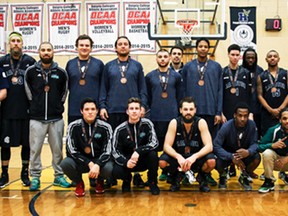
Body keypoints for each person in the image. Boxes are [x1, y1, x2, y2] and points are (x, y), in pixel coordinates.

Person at [99, 36, 148, 187]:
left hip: (133, 112)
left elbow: (142, 89)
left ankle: (137, 174)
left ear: (129, 47)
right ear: (115, 48)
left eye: (125, 44)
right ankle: (113, 175)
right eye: (120, 44)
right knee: (114, 143)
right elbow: (103, 88)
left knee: (135, 143)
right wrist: (102, 106)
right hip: (113, 110)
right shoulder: (108, 66)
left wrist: (143, 106)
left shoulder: (137, 66)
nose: (122, 46)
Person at [24, 41, 70, 191]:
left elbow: (64, 92)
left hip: (55, 118)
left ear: (53, 52)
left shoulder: (61, 73)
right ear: (39, 52)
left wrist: (57, 107)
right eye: (43, 50)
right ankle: (35, 177)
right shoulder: (30, 72)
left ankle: (58, 176)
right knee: (35, 150)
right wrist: (35, 106)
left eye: (48, 50)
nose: (46, 52)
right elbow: (28, 93)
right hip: (36, 118)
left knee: (57, 150)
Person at [181, 37, 222, 186]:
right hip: (192, 113)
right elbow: (183, 89)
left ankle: (206, 173)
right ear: (196, 48)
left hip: (210, 111)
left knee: (208, 145)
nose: (203, 48)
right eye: (200, 46)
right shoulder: (188, 67)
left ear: (208, 49)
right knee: (189, 144)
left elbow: (219, 91)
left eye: (206, 46)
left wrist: (218, 111)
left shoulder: (216, 67)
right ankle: (187, 172)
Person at [0, 31, 36, 188]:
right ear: (9, 44)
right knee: (4, 144)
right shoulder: (1, 62)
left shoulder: (30, 61)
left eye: (18, 41)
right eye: (13, 41)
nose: (15, 43)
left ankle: (24, 173)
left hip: (26, 111)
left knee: (26, 144)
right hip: (7, 111)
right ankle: (4, 173)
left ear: (22, 44)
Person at [159, 97, 216, 192]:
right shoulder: (174, 123)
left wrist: (194, 156)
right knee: (162, 162)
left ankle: (201, 178)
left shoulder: (201, 122)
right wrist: (178, 157)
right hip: (179, 158)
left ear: (195, 110)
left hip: (195, 158)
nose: (188, 112)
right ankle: (176, 177)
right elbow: (166, 146)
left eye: (191, 109)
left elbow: (209, 146)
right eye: (185, 109)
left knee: (211, 161)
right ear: (180, 110)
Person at [60, 98, 113, 197]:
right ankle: (79, 183)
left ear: (97, 111)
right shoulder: (73, 126)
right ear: (81, 111)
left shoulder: (106, 127)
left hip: (99, 162)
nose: (90, 112)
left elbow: (108, 151)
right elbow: (71, 150)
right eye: (87, 109)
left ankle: (100, 180)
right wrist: (88, 163)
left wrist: (97, 164)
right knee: (65, 164)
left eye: (93, 109)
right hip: (81, 161)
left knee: (109, 168)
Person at [145, 49, 183, 182]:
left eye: (165, 57)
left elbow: (180, 97)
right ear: (156, 59)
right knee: (155, 148)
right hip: (155, 117)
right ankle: (155, 175)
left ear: (169, 59)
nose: (162, 59)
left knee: (172, 147)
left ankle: (170, 172)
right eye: (160, 57)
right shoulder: (149, 76)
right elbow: (147, 97)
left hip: (171, 118)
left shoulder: (176, 76)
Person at [112, 97, 160, 195]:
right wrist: (126, 162)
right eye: (131, 109)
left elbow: (154, 143)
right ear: (127, 111)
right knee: (116, 170)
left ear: (141, 111)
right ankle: (126, 180)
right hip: (128, 161)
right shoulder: (119, 129)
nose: (134, 111)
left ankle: (152, 182)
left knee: (153, 155)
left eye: (137, 109)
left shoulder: (147, 124)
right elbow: (115, 150)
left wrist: (139, 151)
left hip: (143, 159)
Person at [213, 102, 260, 191]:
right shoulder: (226, 127)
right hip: (228, 154)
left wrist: (248, 152)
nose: (242, 119)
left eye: (245, 116)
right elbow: (216, 146)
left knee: (257, 157)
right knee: (216, 160)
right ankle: (223, 176)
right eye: (240, 115)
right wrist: (231, 157)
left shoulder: (252, 125)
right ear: (235, 115)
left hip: (244, 154)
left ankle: (244, 176)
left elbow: (255, 144)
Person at [65, 34, 104, 124]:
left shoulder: (99, 64)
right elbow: (67, 87)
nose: (84, 47)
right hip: (74, 108)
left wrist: (102, 106)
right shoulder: (70, 64)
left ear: (91, 48)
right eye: (81, 45)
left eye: (87, 45)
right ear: (76, 47)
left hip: (93, 110)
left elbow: (103, 88)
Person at [257, 50, 288, 136]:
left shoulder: (285, 73)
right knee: (267, 137)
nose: (272, 58)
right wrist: (271, 110)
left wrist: (280, 109)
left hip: (284, 112)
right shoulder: (261, 76)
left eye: (275, 56)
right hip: (267, 113)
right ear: (266, 59)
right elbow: (259, 95)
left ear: (278, 59)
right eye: (270, 56)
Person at [258, 107, 288, 193]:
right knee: (267, 153)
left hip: (286, 161)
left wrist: (286, 159)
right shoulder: (273, 130)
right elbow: (259, 146)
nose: (287, 121)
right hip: (276, 162)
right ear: (280, 120)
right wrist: (272, 145)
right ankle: (269, 182)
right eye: (284, 118)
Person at [222, 44, 252, 122]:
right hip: (227, 110)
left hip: (242, 112)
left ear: (240, 56)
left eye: (237, 55)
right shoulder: (222, 72)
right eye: (232, 55)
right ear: (228, 55)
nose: (235, 57)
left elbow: (249, 95)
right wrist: (220, 113)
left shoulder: (246, 72)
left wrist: (250, 112)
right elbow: (219, 94)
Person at [242, 47, 264, 138]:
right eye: (248, 58)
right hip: (242, 108)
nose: (250, 60)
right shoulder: (239, 70)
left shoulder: (260, 71)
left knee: (256, 134)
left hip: (257, 108)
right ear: (244, 58)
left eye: (253, 58)